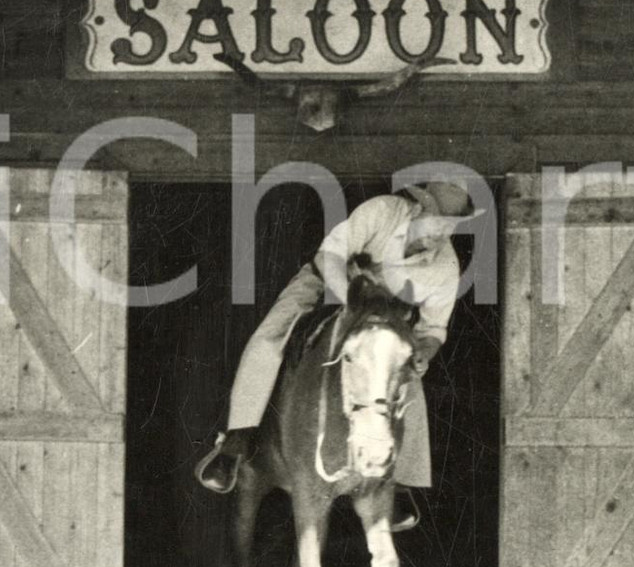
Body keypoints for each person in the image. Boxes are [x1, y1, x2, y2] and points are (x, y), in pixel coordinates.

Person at [195, 180, 480, 500]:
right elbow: (330, 256)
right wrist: (353, 304)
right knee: (268, 340)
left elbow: (433, 329)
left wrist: (423, 352)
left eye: (450, 227)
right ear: (418, 209)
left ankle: (400, 482)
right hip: (327, 285)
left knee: (409, 381)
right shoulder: (382, 211)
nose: (441, 234)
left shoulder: (446, 265)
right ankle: (235, 442)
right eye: (437, 223)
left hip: (385, 318)